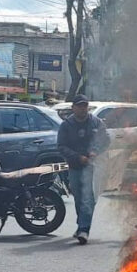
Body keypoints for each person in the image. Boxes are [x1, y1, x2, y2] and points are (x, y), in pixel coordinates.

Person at [57, 95, 109, 244]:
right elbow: (61, 146)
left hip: (92, 167)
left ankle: (84, 229)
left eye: (85, 106)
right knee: (79, 198)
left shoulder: (96, 123)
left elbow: (106, 139)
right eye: (79, 106)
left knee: (88, 198)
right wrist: (77, 157)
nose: (82, 108)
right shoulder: (67, 125)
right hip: (74, 166)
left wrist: (95, 151)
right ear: (73, 108)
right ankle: (81, 225)